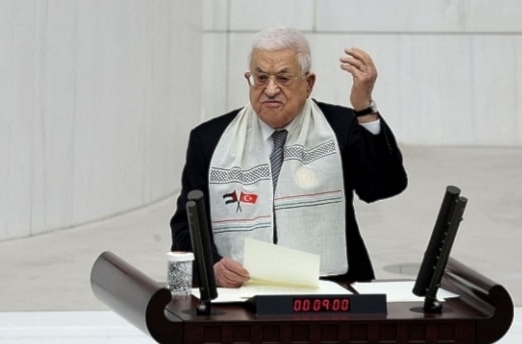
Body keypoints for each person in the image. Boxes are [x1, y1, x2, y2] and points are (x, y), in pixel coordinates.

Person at [170, 27, 407, 287]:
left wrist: (364, 109)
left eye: (283, 78)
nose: (270, 90)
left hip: (331, 290)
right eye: (260, 78)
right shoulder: (209, 140)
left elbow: (383, 186)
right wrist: (212, 267)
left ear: (308, 83)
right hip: (240, 293)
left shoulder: (340, 128)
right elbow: (185, 226)